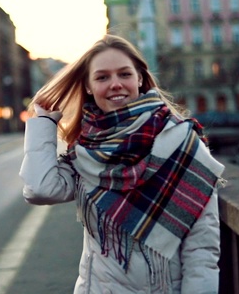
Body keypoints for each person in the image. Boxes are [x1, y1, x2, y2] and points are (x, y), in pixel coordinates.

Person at [19, 34, 225, 293]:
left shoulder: (184, 143)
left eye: (124, 74)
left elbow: (201, 252)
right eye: (103, 77)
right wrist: (44, 124)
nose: (115, 84)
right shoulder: (86, 150)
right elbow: (40, 189)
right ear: (88, 87)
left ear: (140, 78)